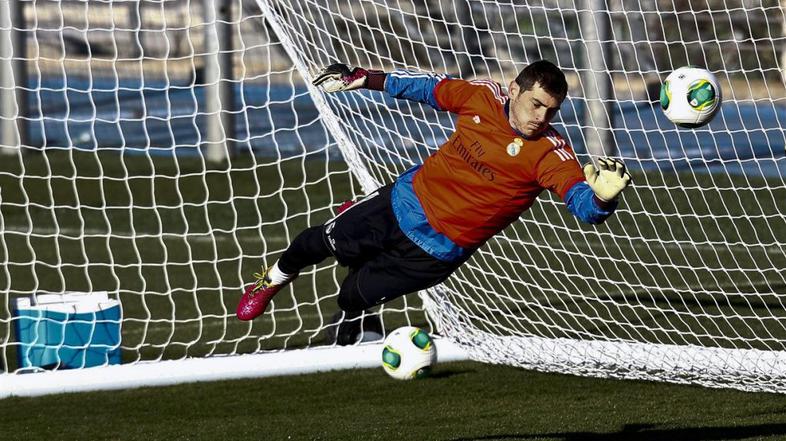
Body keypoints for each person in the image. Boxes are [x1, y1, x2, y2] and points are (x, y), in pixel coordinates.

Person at [236, 60, 631, 324]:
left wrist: (602, 198)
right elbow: (430, 88)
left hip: (437, 252)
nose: (541, 117)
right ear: (514, 90)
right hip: (402, 203)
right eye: (536, 104)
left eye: (551, 111)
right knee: (314, 243)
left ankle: (353, 320)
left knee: (351, 297)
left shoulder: (550, 153)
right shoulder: (482, 97)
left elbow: (583, 205)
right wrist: (367, 78)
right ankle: (269, 281)